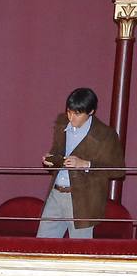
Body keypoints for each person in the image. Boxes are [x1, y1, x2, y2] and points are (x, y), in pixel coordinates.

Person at [39, 87, 125, 239]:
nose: (71, 117)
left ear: (91, 112)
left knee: (80, 251)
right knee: (42, 248)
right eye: (69, 111)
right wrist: (51, 159)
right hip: (56, 194)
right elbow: (58, 151)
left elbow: (118, 170)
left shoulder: (106, 135)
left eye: (77, 114)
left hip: (84, 200)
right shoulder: (62, 122)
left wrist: (86, 164)